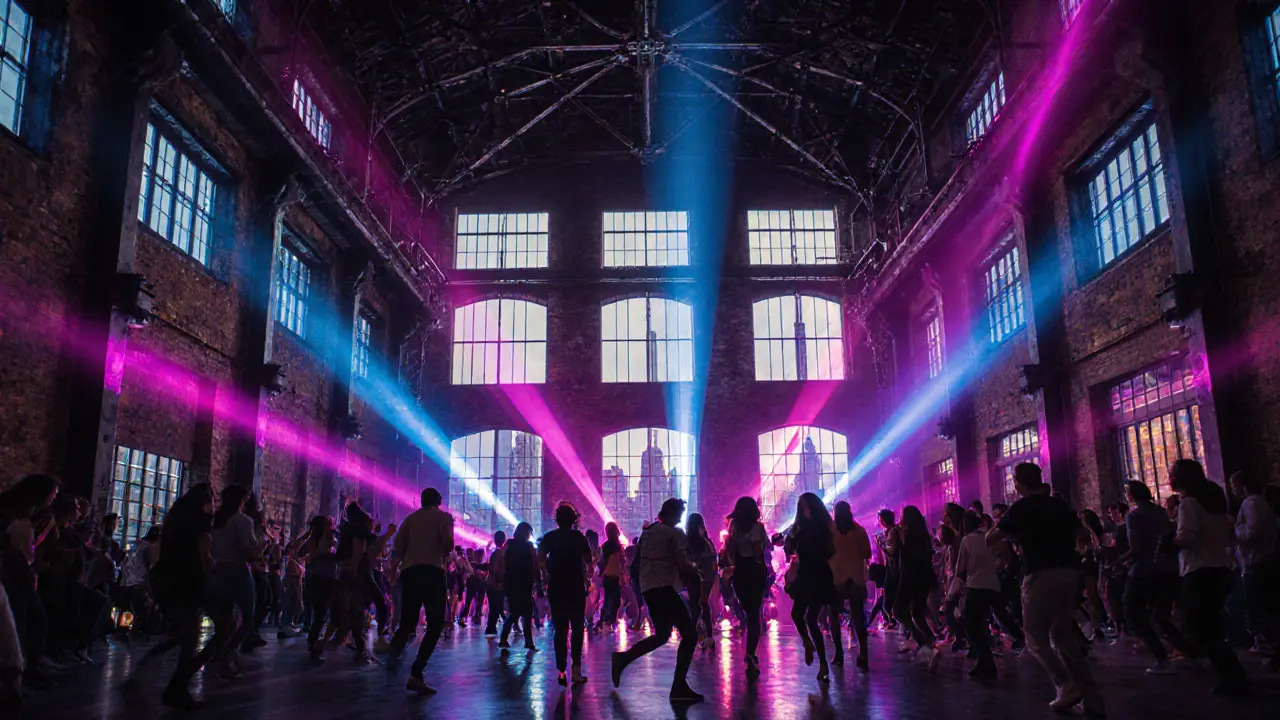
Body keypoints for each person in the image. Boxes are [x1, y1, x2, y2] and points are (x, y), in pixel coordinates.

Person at [988, 463, 1104, 715]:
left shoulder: (1020, 509)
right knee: (1062, 635)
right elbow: (1082, 534)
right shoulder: (1058, 505)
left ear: (1019, 483)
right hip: (1069, 573)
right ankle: (1091, 697)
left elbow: (990, 539)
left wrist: (1014, 536)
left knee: (1035, 637)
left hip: (1040, 574)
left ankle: (1065, 684)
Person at [130, 483, 214, 709]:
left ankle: (147, 672)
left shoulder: (175, 520)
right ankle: (175, 689)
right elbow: (204, 557)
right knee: (189, 638)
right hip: (187, 581)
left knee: (182, 633)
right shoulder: (200, 522)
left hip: (169, 579)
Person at [611, 498, 703, 703]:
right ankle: (678, 684)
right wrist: (695, 570)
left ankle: (623, 659)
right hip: (664, 588)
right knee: (689, 634)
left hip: (649, 588)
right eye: (679, 514)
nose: (680, 519)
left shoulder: (649, 532)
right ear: (672, 513)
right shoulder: (674, 533)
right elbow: (681, 562)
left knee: (662, 635)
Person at [1169, 460, 1248, 695]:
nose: (1169, 477)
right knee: (1210, 626)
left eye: (1172, 474)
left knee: (1199, 629)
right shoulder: (1214, 503)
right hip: (1221, 566)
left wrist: (1170, 541)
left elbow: (1187, 536)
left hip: (1199, 569)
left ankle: (1232, 677)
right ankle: (1233, 675)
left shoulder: (1189, 503)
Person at [386, 487, 454, 695]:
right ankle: (417, 672)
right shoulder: (443, 517)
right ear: (438, 502)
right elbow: (449, 545)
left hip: (411, 572)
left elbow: (398, 549)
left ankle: (392, 657)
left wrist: (393, 571)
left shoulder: (410, 519)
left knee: (407, 622)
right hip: (433, 572)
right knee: (435, 624)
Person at [1121, 481, 1192, 675]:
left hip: (1144, 570)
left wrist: (1119, 560)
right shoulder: (1160, 512)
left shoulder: (1133, 516)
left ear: (1132, 495)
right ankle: (1188, 651)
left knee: (1132, 612)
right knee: (1160, 614)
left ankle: (1161, 656)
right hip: (1167, 569)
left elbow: (1136, 548)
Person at [207, 484, 258, 679]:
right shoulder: (243, 521)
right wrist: (262, 547)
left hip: (217, 571)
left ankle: (220, 655)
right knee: (247, 621)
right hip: (238, 572)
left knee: (225, 621)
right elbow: (248, 554)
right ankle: (226, 655)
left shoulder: (216, 521)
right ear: (241, 501)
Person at [1229, 471, 1280, 669]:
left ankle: (1270, 649)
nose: (1232, 488)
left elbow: (1252, 531)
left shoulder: (1252, 503)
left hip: (1257, 562)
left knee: (1254, 608)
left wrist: (1233, 529)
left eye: (1234, 484)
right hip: (1258, 561)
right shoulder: (1255, 502)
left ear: (1244, 484)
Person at [785, 493, 837, 682]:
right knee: (799, 615)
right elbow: (790, 548)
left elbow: (829, 550)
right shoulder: (802, 529)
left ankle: (822, 662)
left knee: (810, 618)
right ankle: (809, 645)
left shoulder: (820, 528)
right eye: (801, 506)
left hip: (817, 574)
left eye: (805, 506)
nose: (803, 509)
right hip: (808, 573)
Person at [539, 503, 592, 685]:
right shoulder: (579, 537)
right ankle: (576, 670)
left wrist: (546, 574)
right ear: (574, 520)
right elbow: (588, 560)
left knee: (560, 631)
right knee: (577, 629)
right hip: (576, 588)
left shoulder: (550, 538)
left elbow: (540, 558)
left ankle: (561, 671)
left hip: (557, 588)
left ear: (557, 519)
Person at [724, 496, 769, 677]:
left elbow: (729, 551)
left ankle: (749, 652)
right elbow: (759, 551)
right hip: (754, 570)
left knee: (746, 609)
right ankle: (751, 653)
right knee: (754, 614)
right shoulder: (758, 527)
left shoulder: (733, 527)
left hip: (740, 571)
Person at [891, 505, 940, 670]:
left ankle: (923, 643)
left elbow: (902, 557)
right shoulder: (924, 536)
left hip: (909, 576)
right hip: (924, 576)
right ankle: (931, 644)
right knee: (917, 612)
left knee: (898, 609)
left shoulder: (905, 534)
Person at [956, 510, 1001, 679]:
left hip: (975, 584)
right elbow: (1002, 555)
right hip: (993, 584)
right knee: (983, 622)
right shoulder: (989, 536)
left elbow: (960, 568)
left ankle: (985, 659)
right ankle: (985, 660)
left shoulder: (967, 540)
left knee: (971, 623)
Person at [829, 500, 871, 670]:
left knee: (833, 616)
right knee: (858, 617)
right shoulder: (859, 531)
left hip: (837, 578)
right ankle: (864, 654)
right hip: (855, 578)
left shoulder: (830, 531)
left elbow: (826, 552)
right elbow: (867, 553)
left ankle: (838, 654)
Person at [299, 515, 339, 662]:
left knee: (321, 613)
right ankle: (313, 643)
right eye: (331, 524)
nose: (333, 527)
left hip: (321, 579)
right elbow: (311, 553)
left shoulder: (329, 538)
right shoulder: (321, 539)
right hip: (321, 579)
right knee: (321, 613)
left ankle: (313, 641)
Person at [500, 522, 538, 651]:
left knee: (515, 611)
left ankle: (504, 638)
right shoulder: (529, 546)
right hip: (525, 582)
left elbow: (501, 559)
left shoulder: (509, 544)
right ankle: (528, 641)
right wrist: (537, 581)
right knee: (527, 611)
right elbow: (534, 565)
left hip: (512, 582)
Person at [684, 513, 717, 649]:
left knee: (694, 606)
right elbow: (713, 559)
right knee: (705, 604)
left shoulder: (687, 542)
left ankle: (698, 636)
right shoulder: (706, 542)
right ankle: (709, 636)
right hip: (708, 576)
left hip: (693, 576)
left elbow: (685, 560)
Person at [598, 523, 624, 628]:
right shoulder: (617, 545)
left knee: (609, 599)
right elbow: (621, 562)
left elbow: (603, 562)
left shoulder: (605, 545)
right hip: (614, 575)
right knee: (615, 599)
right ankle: (609, 620)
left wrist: (601, 572)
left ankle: (605, 620)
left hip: (608, 575)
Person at [485, 530, 507, 635]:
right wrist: (495, 581)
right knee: (496, 607)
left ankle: (491, 628)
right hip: (496, 584)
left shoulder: (496, 552)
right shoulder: (499, 553)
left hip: (492, 584)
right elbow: (494, 569)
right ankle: (491, 628)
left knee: (495, 607)